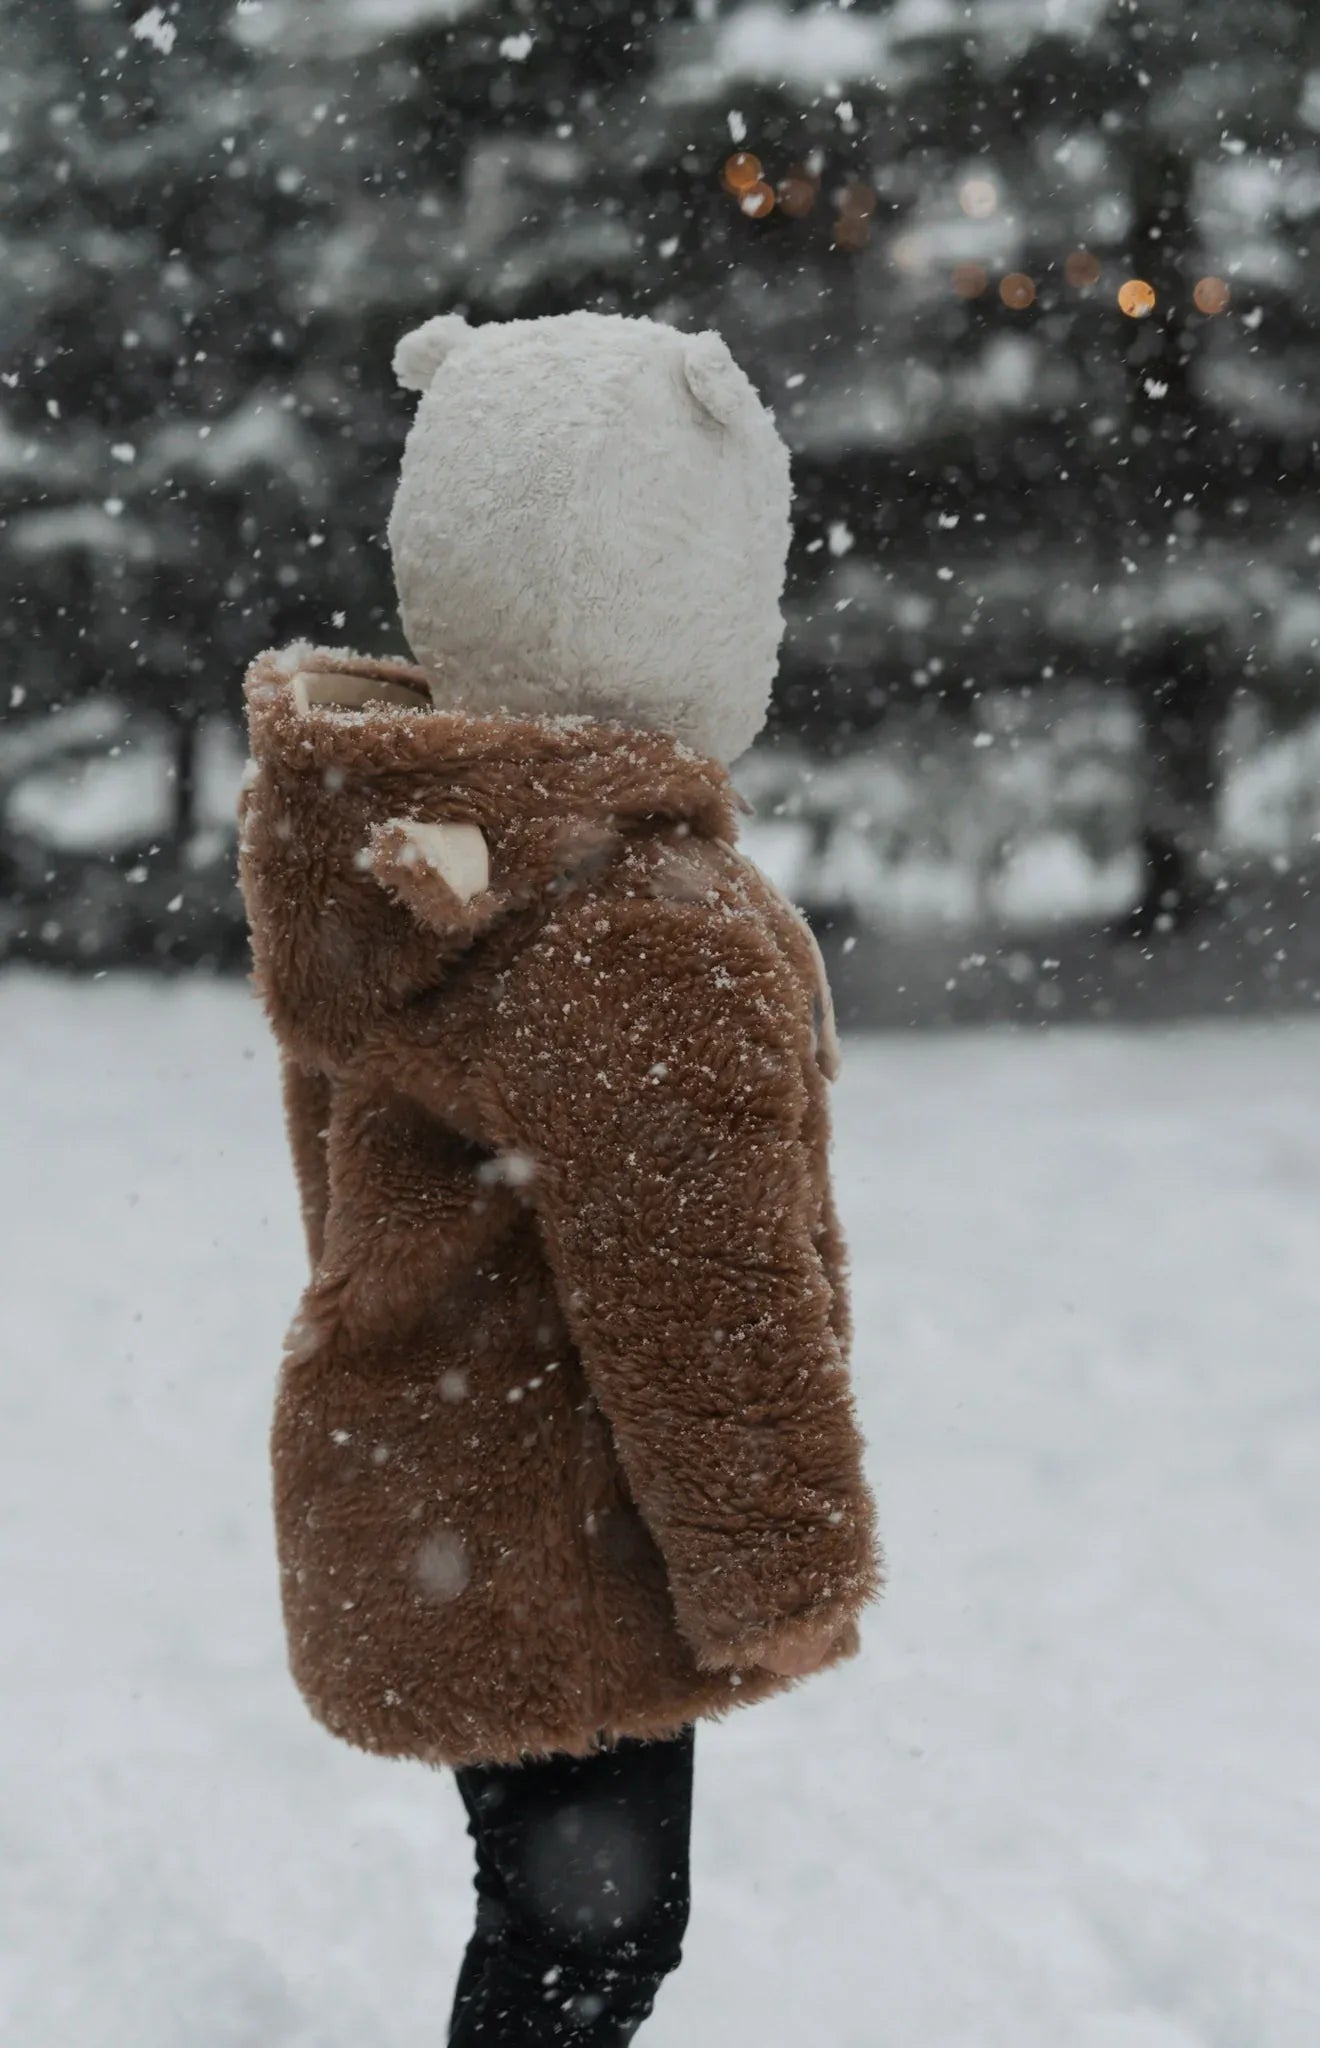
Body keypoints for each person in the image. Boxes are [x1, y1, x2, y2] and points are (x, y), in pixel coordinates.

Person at [238, 311, 882, 2043]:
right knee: (592, 1943)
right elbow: (704, 1282)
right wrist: (783, 1561)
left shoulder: (401, 844)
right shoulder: (635, 921)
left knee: (546, 1928)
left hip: (422, 1477)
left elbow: (346, 1179)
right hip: (573, 1530)